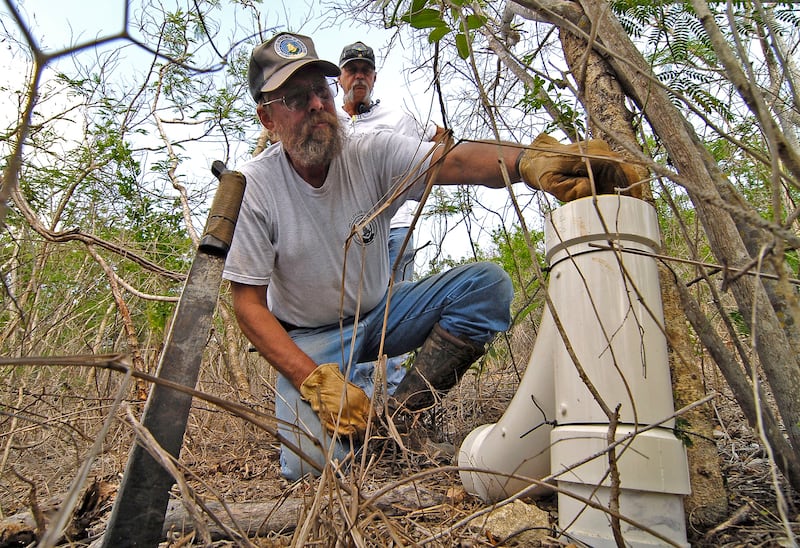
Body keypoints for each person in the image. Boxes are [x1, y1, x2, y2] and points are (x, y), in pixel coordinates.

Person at [223, 32, 639, 481]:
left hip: (382, 311)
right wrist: (315, 380)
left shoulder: (368, 150)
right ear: (267, 117)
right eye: (296, 97)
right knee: (315, 469)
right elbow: (248, 305)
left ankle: (402, 418)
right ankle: (343, 423)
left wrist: (531, 162)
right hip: (310, 336)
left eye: (321, 91)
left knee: (486, 286)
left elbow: (453, 161)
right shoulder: (254, 188)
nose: (317, 106)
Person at [337, 40, 446, 395]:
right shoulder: (330, 121)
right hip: (349, 235)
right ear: (340, 77)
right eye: (352, 70)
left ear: (374, 77)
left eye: (365, 70)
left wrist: (415, 188)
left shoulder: (399, 118)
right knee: (355, 314)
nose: (359, 76)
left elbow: (443, 141)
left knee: (398, 310)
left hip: (395, 229)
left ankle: (400, 402)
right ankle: (361, 399)